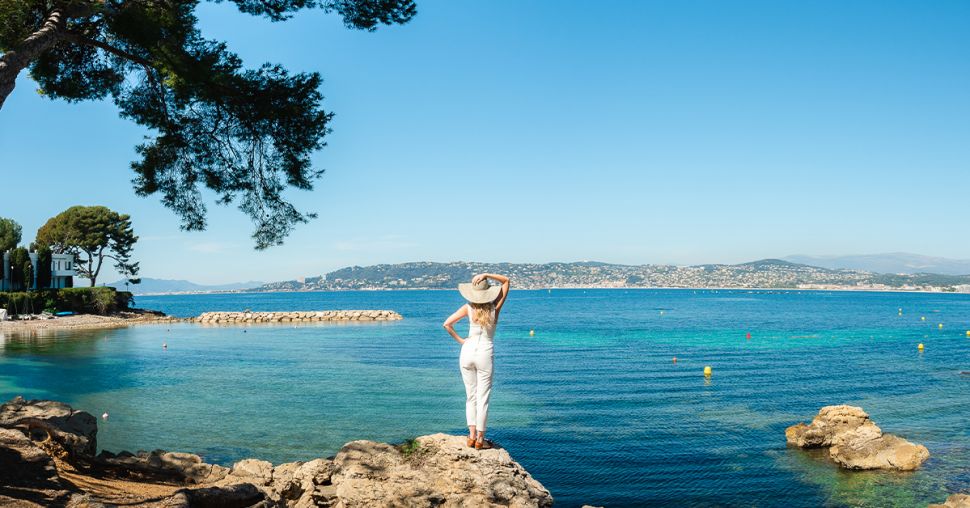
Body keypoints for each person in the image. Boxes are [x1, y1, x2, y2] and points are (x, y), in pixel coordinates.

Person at [442, 272, 510, 450]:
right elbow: (506, 281)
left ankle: (471, 437)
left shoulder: (468, 308)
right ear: (488, 293)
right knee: (483, 397)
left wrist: (462, 341)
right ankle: (480, 439)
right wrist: (486, 274)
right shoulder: (494, 308)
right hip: (485, 353)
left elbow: (447, 324)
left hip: (467, 352)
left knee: (470, 396)